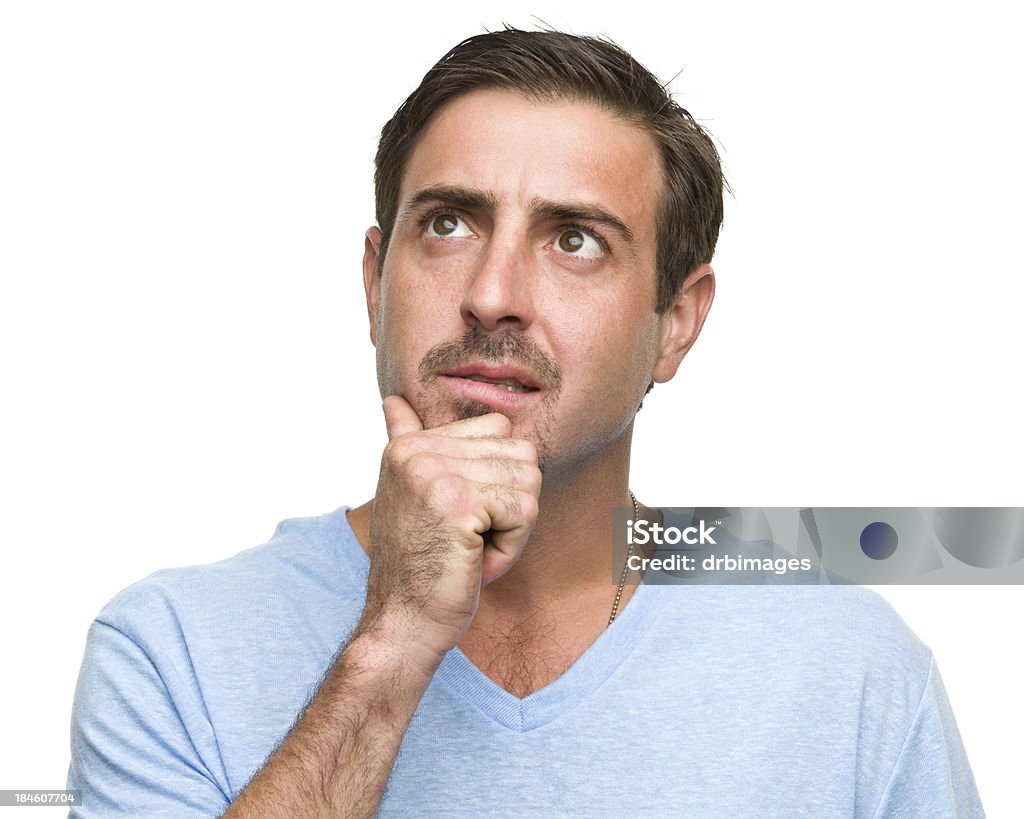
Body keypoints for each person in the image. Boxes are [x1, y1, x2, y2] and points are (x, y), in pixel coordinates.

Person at [67, 29, 984, 817]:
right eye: (449, 225)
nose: (492, 295)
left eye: (575, 239)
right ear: (373, 285)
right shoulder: (171, 651)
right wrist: (394, 636)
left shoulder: (853, 672)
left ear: (677, 322)